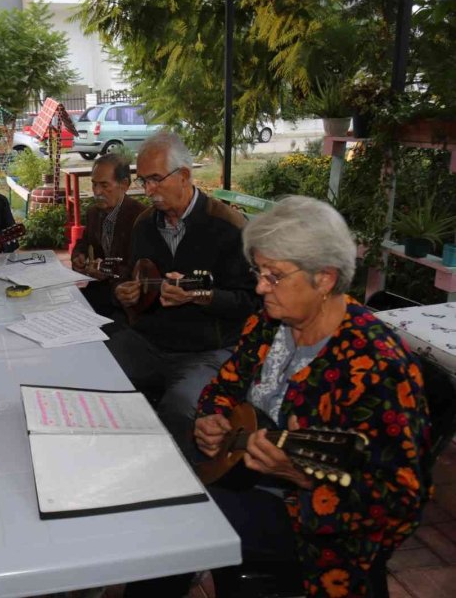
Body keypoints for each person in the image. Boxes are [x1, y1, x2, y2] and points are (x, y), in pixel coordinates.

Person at [129, 196, 433, 597]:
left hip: (312, 523)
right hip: (242, 478)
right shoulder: (270, 323)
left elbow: (401, 501)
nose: (259, 287)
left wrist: (299, 475)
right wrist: (210, 417)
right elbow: (225, 384)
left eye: (273, 276)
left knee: (171, 522)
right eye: (259, 272)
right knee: (154, 491)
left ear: (324, 279)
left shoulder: (377, 365)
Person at [109, 131, 258, 457]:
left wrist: (200, 296)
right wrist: (128, 294)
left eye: (155, 179)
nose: (148, 190)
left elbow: (251, 302)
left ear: (185, 176)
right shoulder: (144, 225)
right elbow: (138, 278)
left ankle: (176, 478)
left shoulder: (228, 227)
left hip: (208, 351)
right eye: (143, 181)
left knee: (180, 408)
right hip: (150, 342)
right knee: (96, 371)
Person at [70, 152, 146, 318]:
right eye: (94, 184)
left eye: (104, 185)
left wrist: (108, 270)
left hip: (127, 301)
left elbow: (144, 268)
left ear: (124, 184)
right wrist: (78, 257)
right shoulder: (93, 213)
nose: (97, 192)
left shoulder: (141, 218)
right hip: (99, 292)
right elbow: (84, 243)